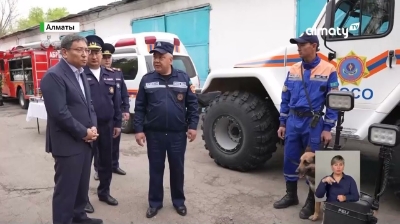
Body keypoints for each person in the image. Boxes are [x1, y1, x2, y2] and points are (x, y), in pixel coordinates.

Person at [274, 32, 339, 220]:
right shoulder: (294, 69)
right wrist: (283, 122)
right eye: (297, 45)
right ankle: (291, 195)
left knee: (314, 164)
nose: (298, 48)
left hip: (314, 122)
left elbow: (333, 101)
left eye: (302, 45)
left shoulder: (329, 69)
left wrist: (327, 128)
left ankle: (312, 202)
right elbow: (285, 97)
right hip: (294, 121)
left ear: (314, 45)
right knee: (290, 158)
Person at [40, 34, 103, 224]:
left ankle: (79, 217)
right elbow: (60, 113)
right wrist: (84, 132)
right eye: (79, 50)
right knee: (66, 190)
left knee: (81, 186)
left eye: (86, 50)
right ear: (65, 52)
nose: (85, 55)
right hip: (67, 144)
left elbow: (88, 105)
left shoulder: (81, 73)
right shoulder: (54, 76)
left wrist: (93, 127)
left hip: (85, 141)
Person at [133, 40, 199, 218]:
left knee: (177, 169)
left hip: (177, 134)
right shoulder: (147, 80)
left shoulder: (183, 78)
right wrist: (139, 130)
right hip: (155, 134)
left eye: (161, 57)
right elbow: (139, 108)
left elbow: (193, 105)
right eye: (154, 56)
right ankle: (155, 203)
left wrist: (192, 126)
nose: (156, 60)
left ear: (170, 59)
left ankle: (179, 202)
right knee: (155, 169)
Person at [84, 35, 122, 214]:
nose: (94, 56)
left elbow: (116, 101)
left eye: (97, 52)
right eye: (90, 52)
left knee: (106, 161)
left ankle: (104, 192)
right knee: (85, 164)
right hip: (87, 128)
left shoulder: (110, 74)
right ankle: (82, 199)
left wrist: (117, 123)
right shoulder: (80, 74)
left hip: (107, 126)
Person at [100, 43, 130, 177]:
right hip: (102, 115)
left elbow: (124, 93)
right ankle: (98, 169)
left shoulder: (117, 73)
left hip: (115, 114)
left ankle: (114, 165)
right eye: (104, 56)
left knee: (115, 142)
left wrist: (126, 109)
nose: (107, 59)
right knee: (100, 145)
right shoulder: (96, 74)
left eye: (109, 57)